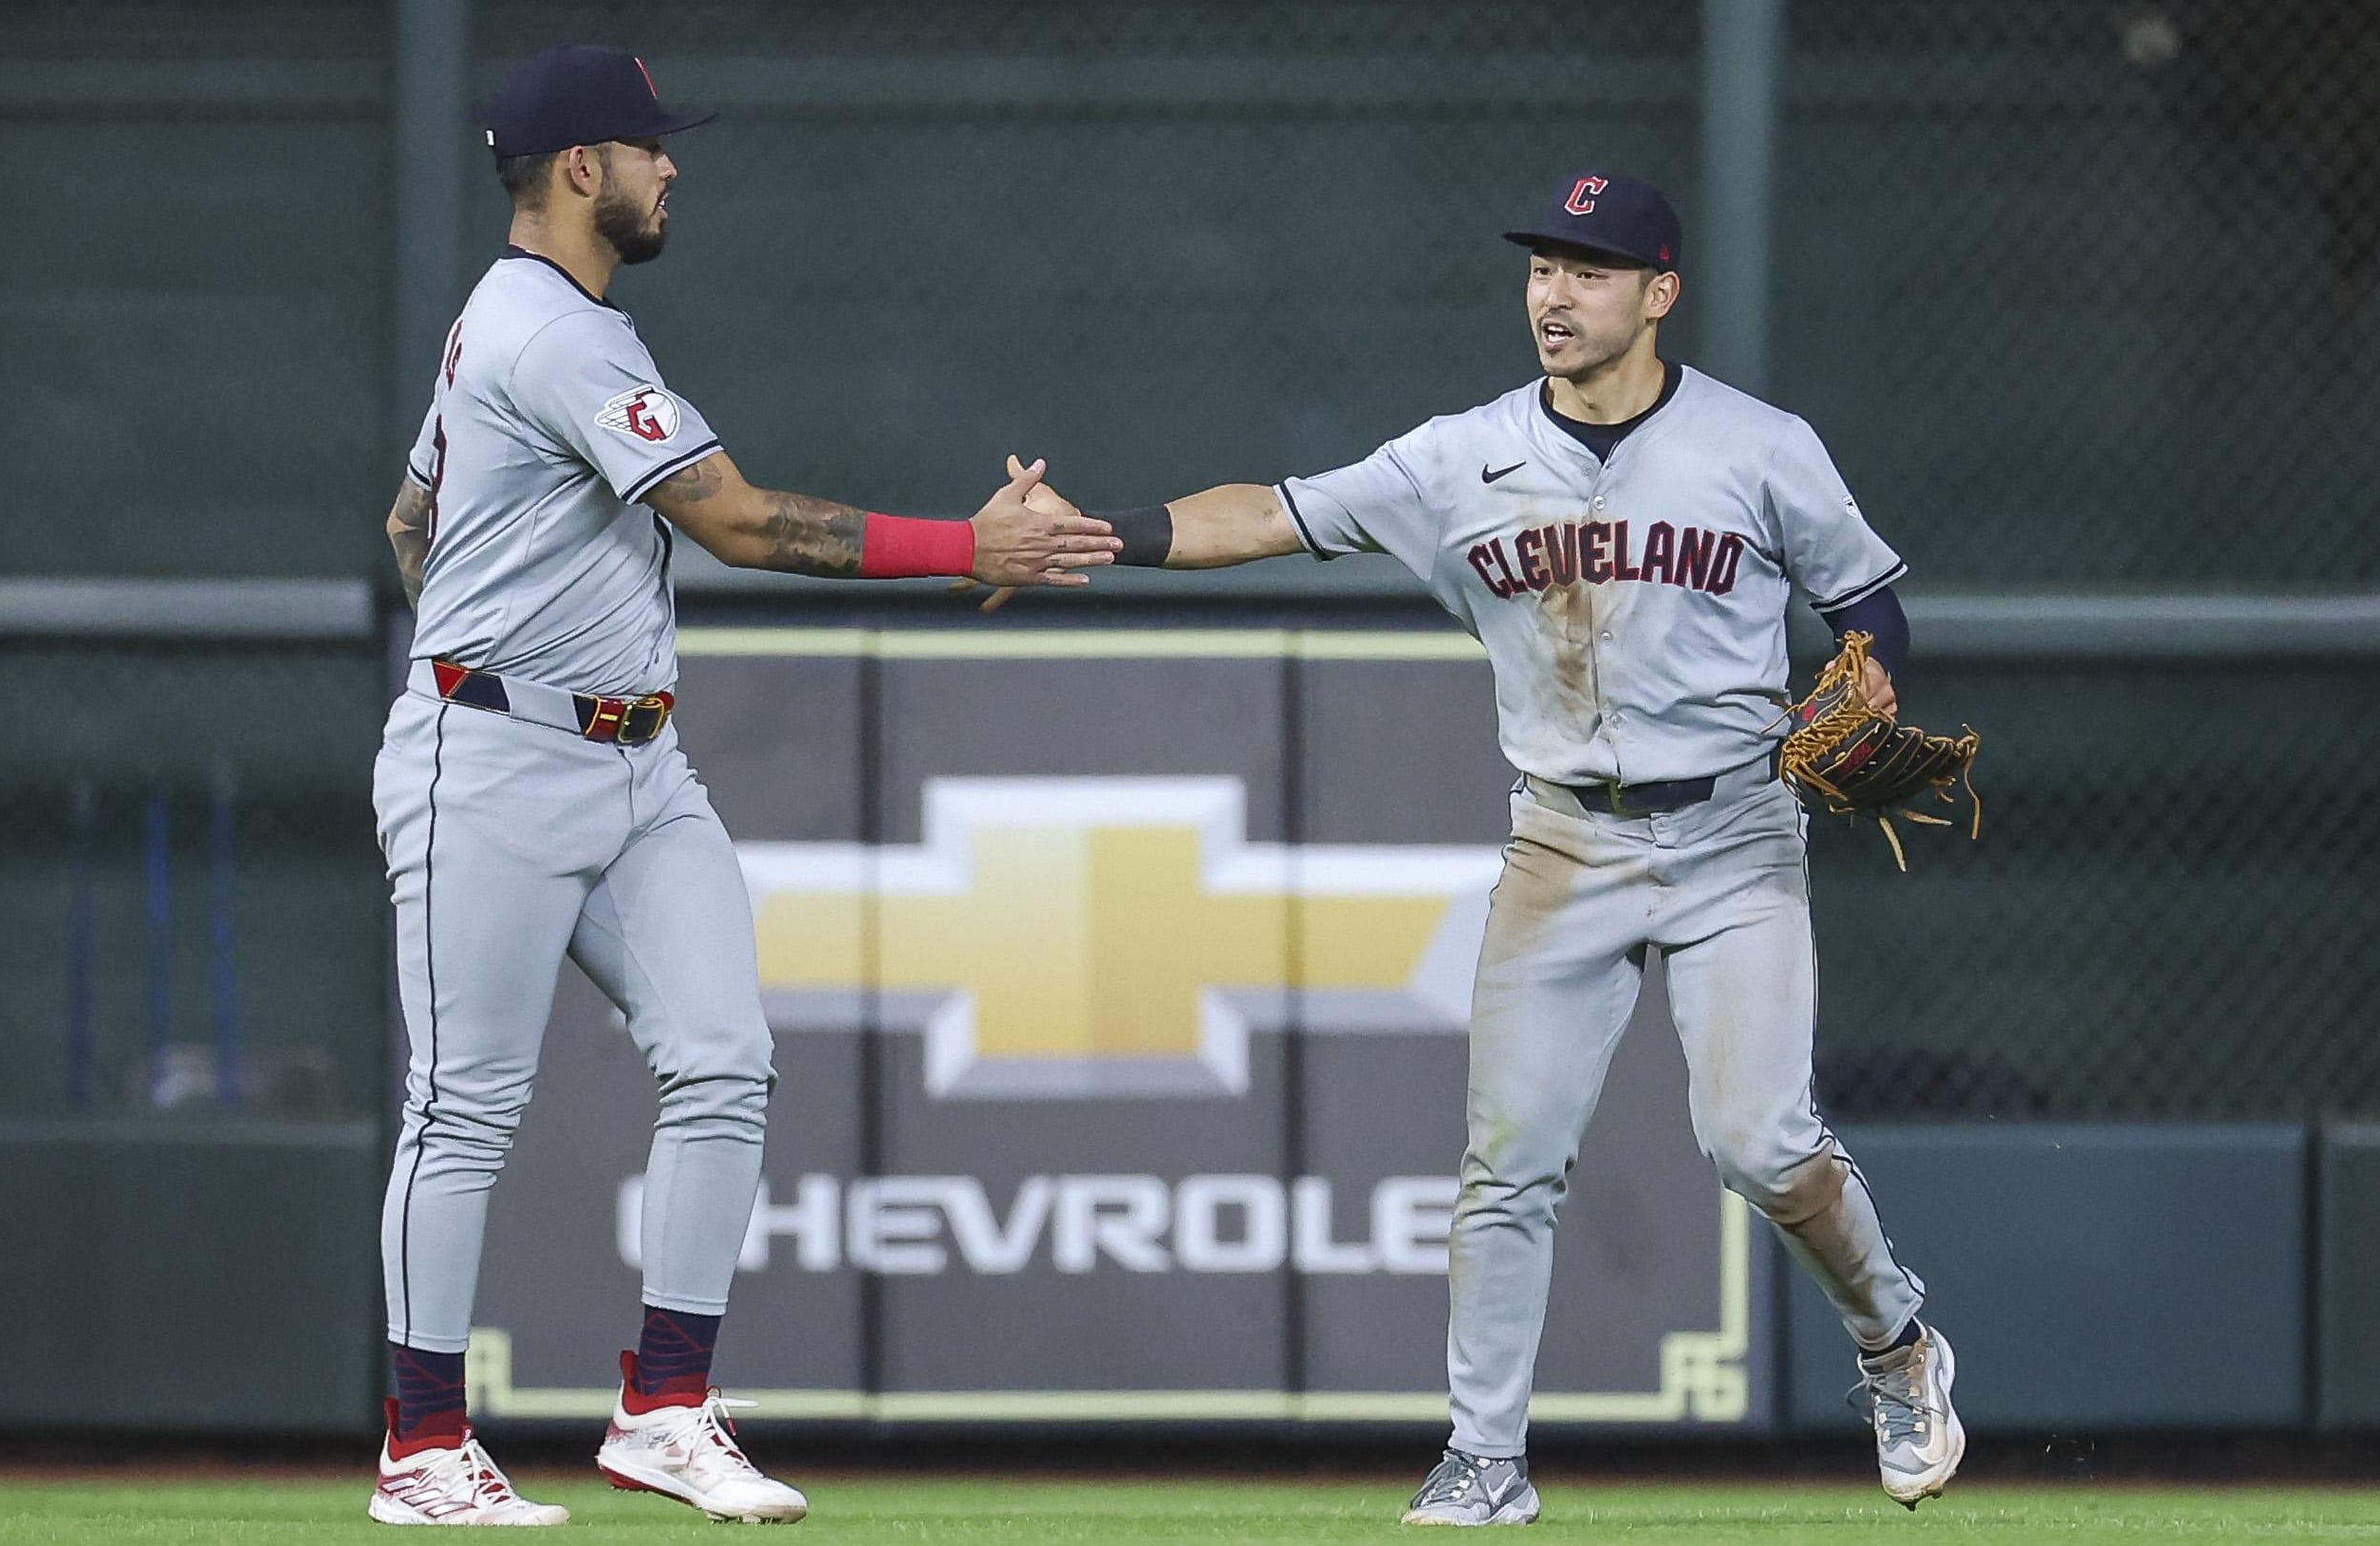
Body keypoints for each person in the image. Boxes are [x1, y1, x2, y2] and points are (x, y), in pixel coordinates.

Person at [1015, 172, 1962, 1523]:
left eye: (1588, 269)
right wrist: (1105, 532)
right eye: (1540, 268)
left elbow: (1871, 599)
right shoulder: (1461, 457)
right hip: (1562, 837)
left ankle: (1897, 1343)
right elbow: (1274, 510)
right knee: (1508, 1159)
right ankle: (1484, 1455)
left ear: (1658, 292)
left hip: (1735, 832)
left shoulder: (1758, 444)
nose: (1554, 293)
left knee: (1757, 1140)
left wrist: (1870, 669)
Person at [367, 45, 1118, 1526]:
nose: (670, 167)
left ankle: (666, 1406)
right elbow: (741, 523)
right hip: (496, 759)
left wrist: (489, 602)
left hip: (637, 762)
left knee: (722, 1059)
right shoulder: (552, 336)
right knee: (464, 1110)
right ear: (581, 169)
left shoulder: (525, 323)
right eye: (649, 148)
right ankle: (421, 1445)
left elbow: (411, 520)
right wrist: (971, 546)